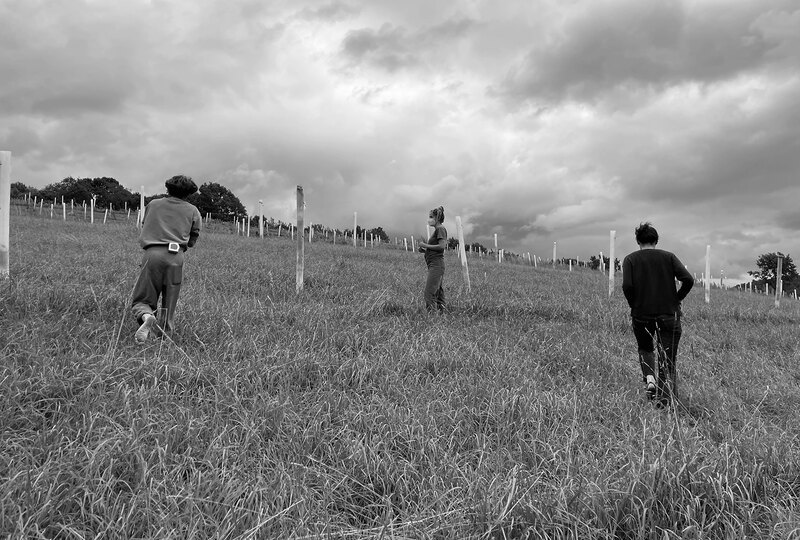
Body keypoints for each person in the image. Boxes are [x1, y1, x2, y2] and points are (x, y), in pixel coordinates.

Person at [622, 222, 694, 408]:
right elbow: (688, 279)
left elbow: (627, 286)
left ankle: (650, 379)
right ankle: (665, 402)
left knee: (645, 349)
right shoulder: (668, 257)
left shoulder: (630, 259)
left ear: (638, 240)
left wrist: (635, 304)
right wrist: (676, 299)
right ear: (656, 240)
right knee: (667, 359)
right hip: (669, 314)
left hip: (641, 314)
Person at [131, 175, 202, 344]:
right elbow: (193, 237)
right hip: (176, 257)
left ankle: (147, 316)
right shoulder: (193, 210)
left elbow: (145, 223)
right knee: (170, 301)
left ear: (167, 188)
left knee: (143, 298)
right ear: (189, 193)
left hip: (153, 253)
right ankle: (165, 337)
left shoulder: (154, 204)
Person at [418, 206, 447, 313]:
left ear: (437, 218)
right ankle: (442, 313)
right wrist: (425, 251)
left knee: (429, 293)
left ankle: (431, 316)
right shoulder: (438, 230)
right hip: (434, 264)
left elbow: (442, 246)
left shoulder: (440, 229)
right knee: (438, 292)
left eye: (431, 217)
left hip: (436, 265)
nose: (429, 219)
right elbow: (436, 250)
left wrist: (425, 245)